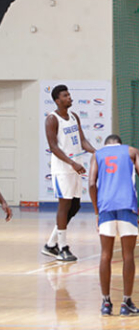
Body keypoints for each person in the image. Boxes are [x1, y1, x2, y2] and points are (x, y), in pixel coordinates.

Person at [88, 134, 139, 316]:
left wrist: (97, 211)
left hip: (106, 207)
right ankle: (126, 302)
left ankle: (106, 303)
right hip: (127, 206)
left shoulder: (98, 154)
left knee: (105, 255)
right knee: (128, 255)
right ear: (119, 144)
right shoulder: (131, 151)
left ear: (107, 145)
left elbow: (91, 183)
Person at [41, 84, 95, 261]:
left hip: (75, 167)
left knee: (75, 206)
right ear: (57, 100)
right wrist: (71, 163)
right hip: (63, 169)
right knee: (64, 206)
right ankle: (62, 247)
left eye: (69, 95)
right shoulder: (52, 119)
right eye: (65, 95)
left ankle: (50, 244)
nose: (69, 97)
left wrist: (97, 153)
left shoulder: (74, 116)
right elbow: (53, 147)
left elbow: (82, 140)